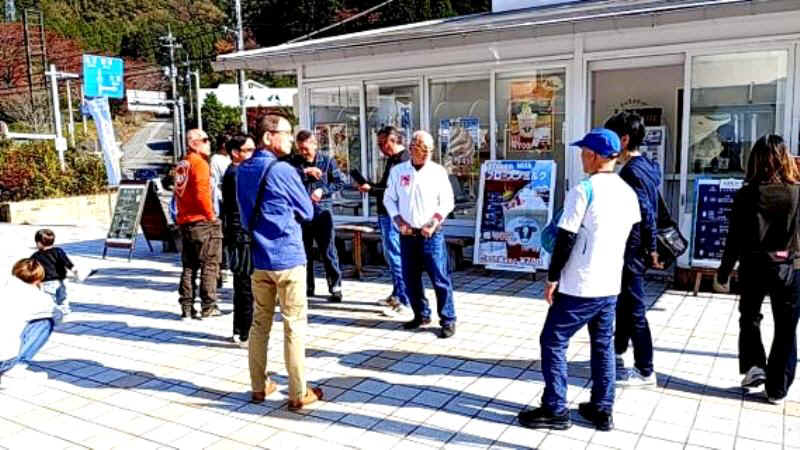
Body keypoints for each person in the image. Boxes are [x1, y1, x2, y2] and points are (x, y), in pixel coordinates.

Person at [519, 128, 640, 432]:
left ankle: (555, 408)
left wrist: (552, 278)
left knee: (553, 340)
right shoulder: (627, 192)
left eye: (583, 152)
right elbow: (635, 239)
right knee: (603, 345)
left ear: (594, 155)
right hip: (609, 285)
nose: (581, 157)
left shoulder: (583, 190)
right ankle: (602, 408)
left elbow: (565, 239)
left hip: (580, 285)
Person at [236, 114, 323, 410]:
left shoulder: (243, 169)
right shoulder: (283, 170)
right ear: (267, 136)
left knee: (259, 324)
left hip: (259, 258)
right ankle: (298, 392)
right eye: (285, 133)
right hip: (287, 255)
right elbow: (307, 211)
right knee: (294, 325)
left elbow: (244, 215)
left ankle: (258, 386)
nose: (290, 138)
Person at [714, 134, 800, 405]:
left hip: (753, 265)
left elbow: (734, 238)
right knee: (786, 328)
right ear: (785, 158)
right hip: (789, 265)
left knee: (750, 316)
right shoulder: (797, 192)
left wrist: (723, 272)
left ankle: (755, 366)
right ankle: (777, 388)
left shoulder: (746, 194)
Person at [605, 112, 662, 387]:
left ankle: (645, 370)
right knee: (625, 304)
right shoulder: (648, 166)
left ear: (624, 139)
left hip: (633, 250)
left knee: (635, 308)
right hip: (637, 248)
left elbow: (646, 212)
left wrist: (651, 248)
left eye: (612, 138)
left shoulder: (630, 172)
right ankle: (618, 350)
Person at [384, 130, 457, 338]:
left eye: (429, 149)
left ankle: (448, 318)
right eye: (422, 148)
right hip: (407, 234)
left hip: (431, 234)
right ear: (411, 148)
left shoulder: (437, 171)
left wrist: (434, 222)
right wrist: (398, 221)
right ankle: (420, 314)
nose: (426, 153)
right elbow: (389, 199)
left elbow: (447, 202)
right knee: (410, 278)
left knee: (440, 277)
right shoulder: (399, 171)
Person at [358, 126, 412, 317]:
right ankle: (397, 293)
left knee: (396, 256)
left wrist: (371, 190)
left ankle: (405, 300)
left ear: (394, 140)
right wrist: (370, 186)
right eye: (378, 144)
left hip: (394, 215)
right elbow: (384, 187)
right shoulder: (392, 160)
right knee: (391, 256)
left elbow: (397, 192)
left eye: (383, 143)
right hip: (385, 212)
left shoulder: (404, 161)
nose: (380, 148)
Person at [175, 128, 225, 320]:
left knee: (189, 265)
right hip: (202, 221)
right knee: (210, 264)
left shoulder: (183, 163)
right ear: (194, 143)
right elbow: (202, 193)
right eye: (205, 139)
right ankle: (209, 305)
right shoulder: (200, 163)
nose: (209, 143)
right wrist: (211, 216)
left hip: (185, 220)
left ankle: (187, 306)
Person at [291, 130, 345, 302]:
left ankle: (335, 286)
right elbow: (287, 178)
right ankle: (307, 287)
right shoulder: (295, 162)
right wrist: (305, 171)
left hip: (322, 212)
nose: (303, 152)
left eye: (306, 149)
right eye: (300, 149)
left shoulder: (327, 161)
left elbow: (340, 181)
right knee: (303, 252)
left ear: (314, 145)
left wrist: (323, 190)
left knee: (328, 250)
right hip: (301, 213)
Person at [1, 259, 61, 387]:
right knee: (46, 322)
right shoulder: (40, 298)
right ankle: (16, 367)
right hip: (4, 360)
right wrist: (41, 291)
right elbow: (59, 316)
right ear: (38, 279)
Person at [222, 133, 256, 347]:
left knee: (242, 285)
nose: (253, 154)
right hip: (241, 234)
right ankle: (245, 333)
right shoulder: (236, 174)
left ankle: (239, 329)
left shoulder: (236, 172)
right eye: (248, 150)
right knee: (245, 286)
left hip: (238, 232)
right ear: (236, 153)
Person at [31, 228, 79, 314]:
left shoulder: (35, 256)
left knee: (50, 299)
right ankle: (64, 310)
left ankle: (53, 312)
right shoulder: (58, 251)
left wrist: (36, 281)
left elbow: (33, 271)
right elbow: (66, 262)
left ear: (39, 243)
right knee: (63, 297)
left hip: (47, 282)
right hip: (61, 280)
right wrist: (74, 270)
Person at [211, 133, 233, 287]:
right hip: (222, 199)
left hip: (231, 199)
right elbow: (215, 183)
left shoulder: (230, 158)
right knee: (224, 234)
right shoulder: (216, 159)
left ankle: (228, 264)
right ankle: (224, 266)